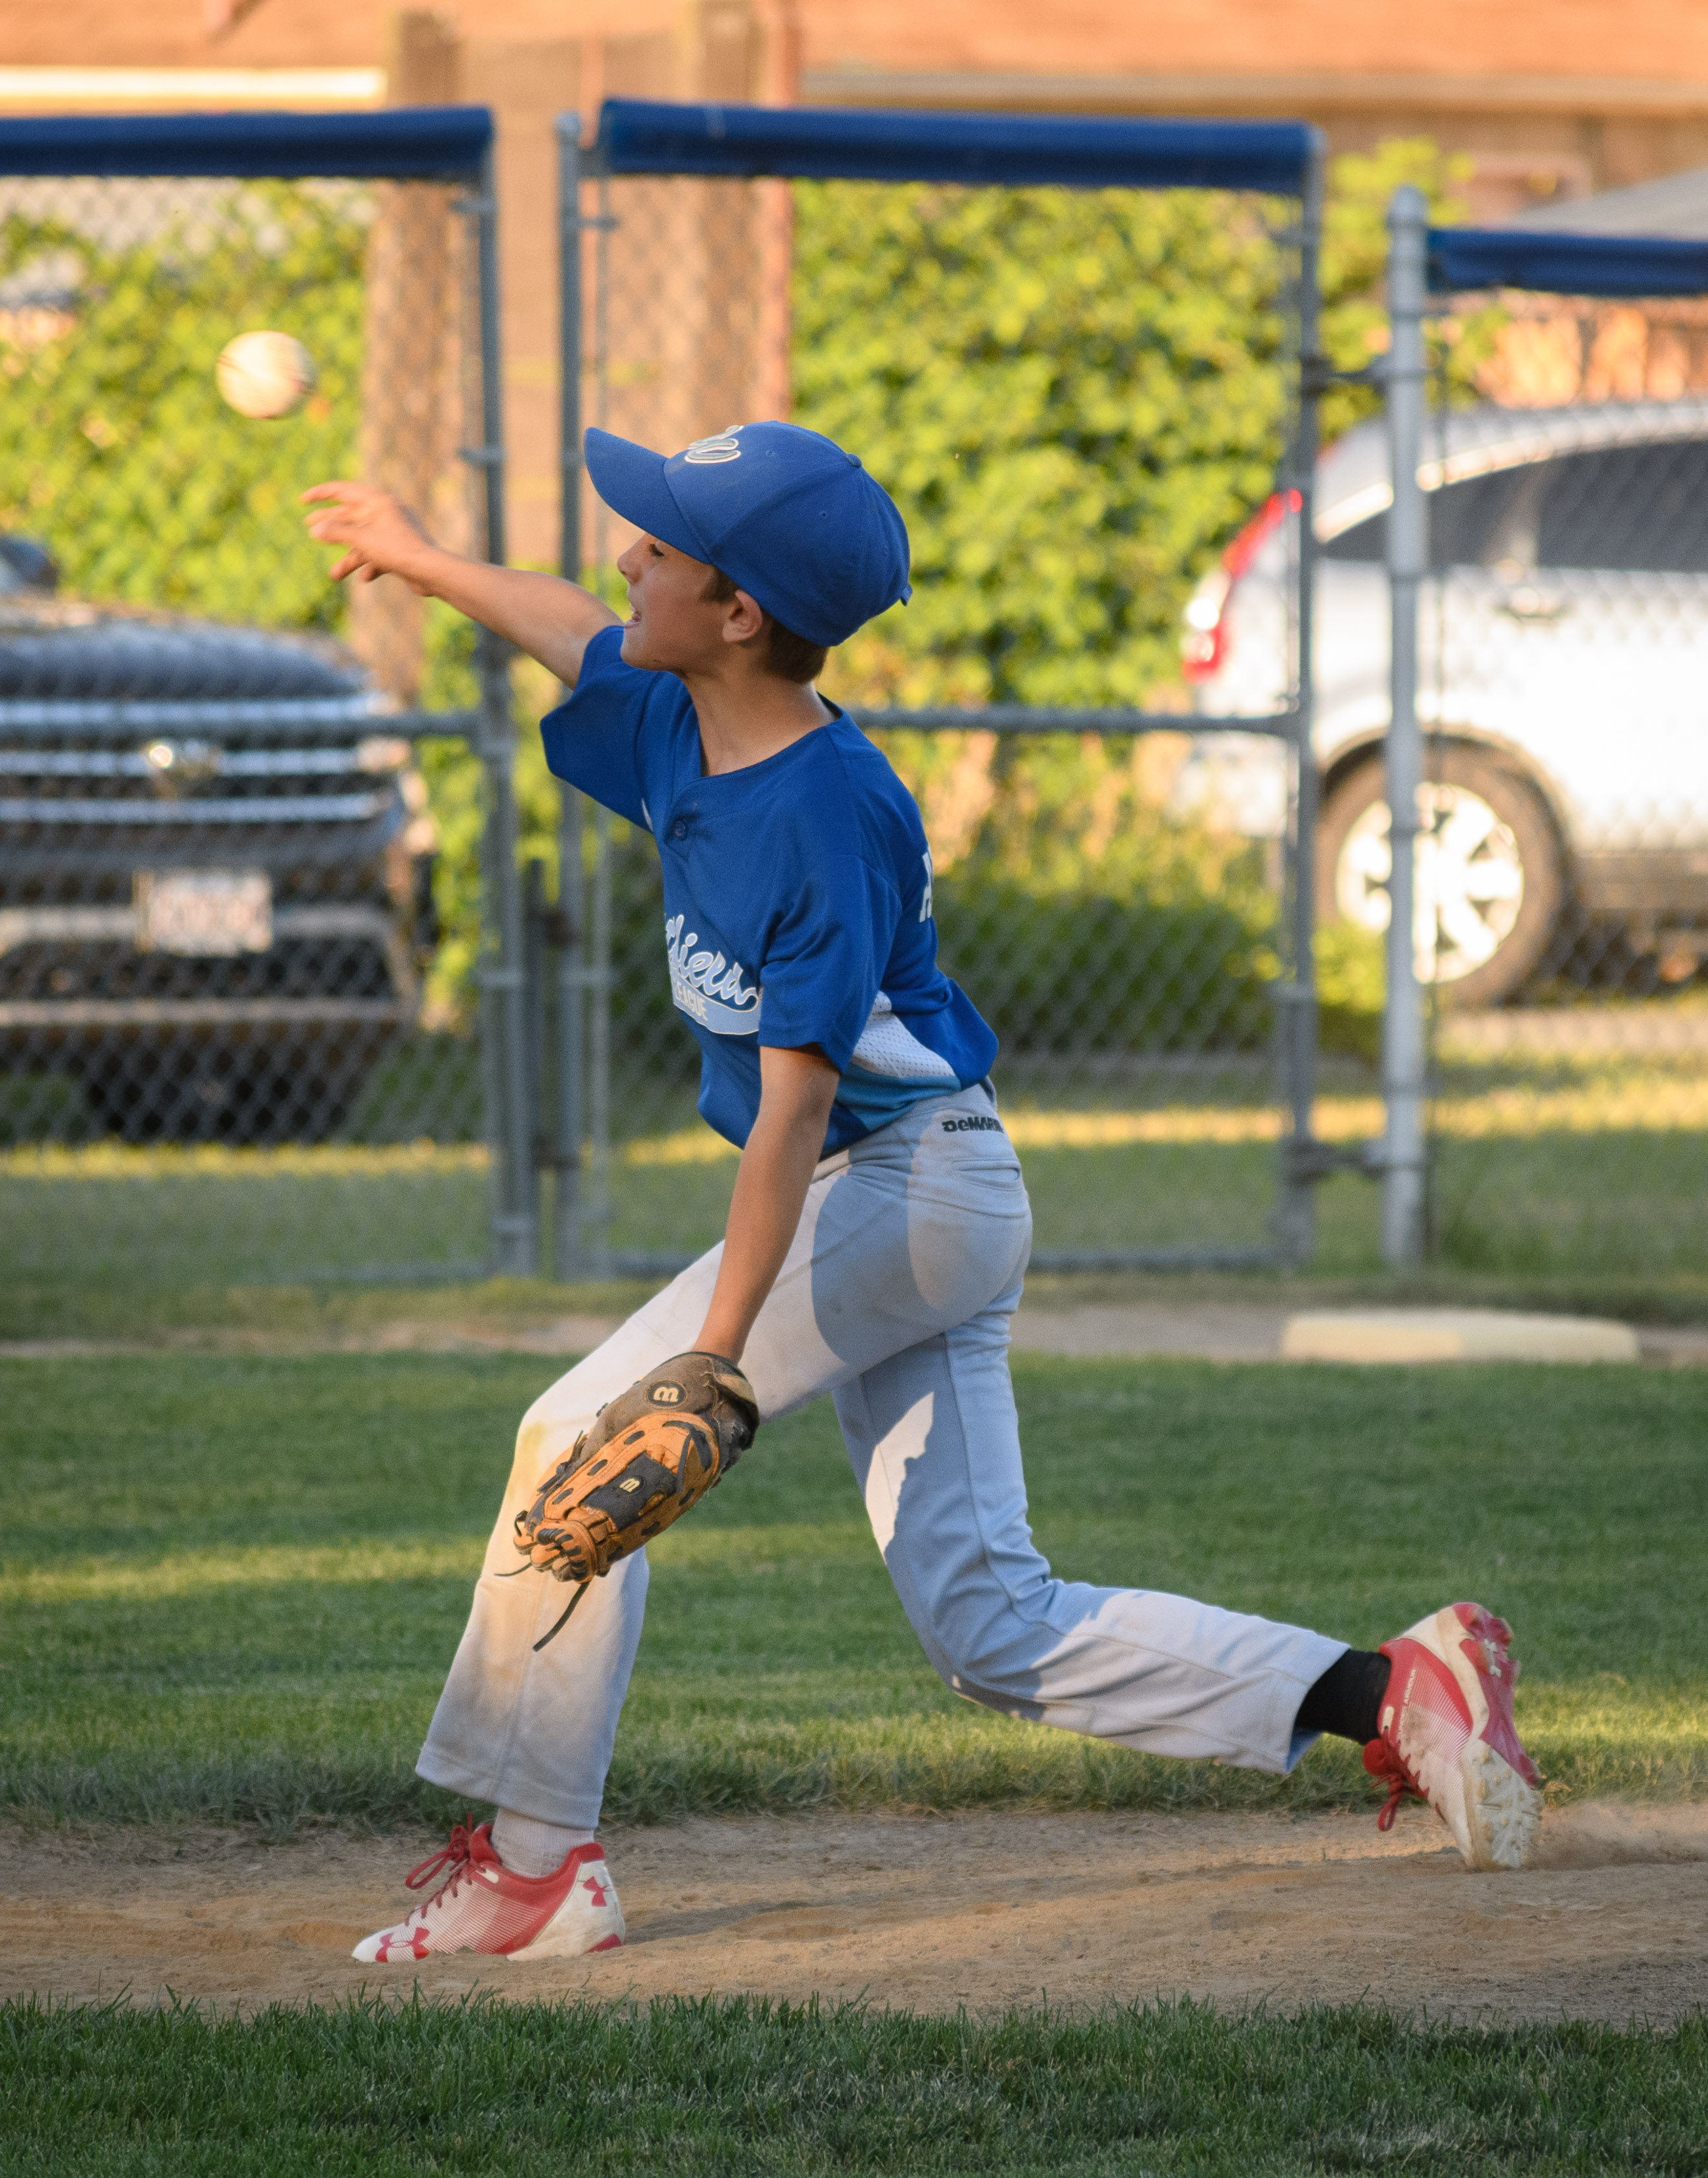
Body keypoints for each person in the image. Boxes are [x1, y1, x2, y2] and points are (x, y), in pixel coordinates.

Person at [301, 423, 1542, 1967]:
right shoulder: (679, 720)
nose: (629, 556)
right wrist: (419, 558)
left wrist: (711, 1360)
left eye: (664, 547)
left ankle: (536, 1869)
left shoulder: (826, 814)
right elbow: (564, 620)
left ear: (739, 612)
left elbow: (789, 1117)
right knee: (991, 1627)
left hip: (895, 1189)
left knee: (576, 1434)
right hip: (911, 1192)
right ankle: (1393, 1694)